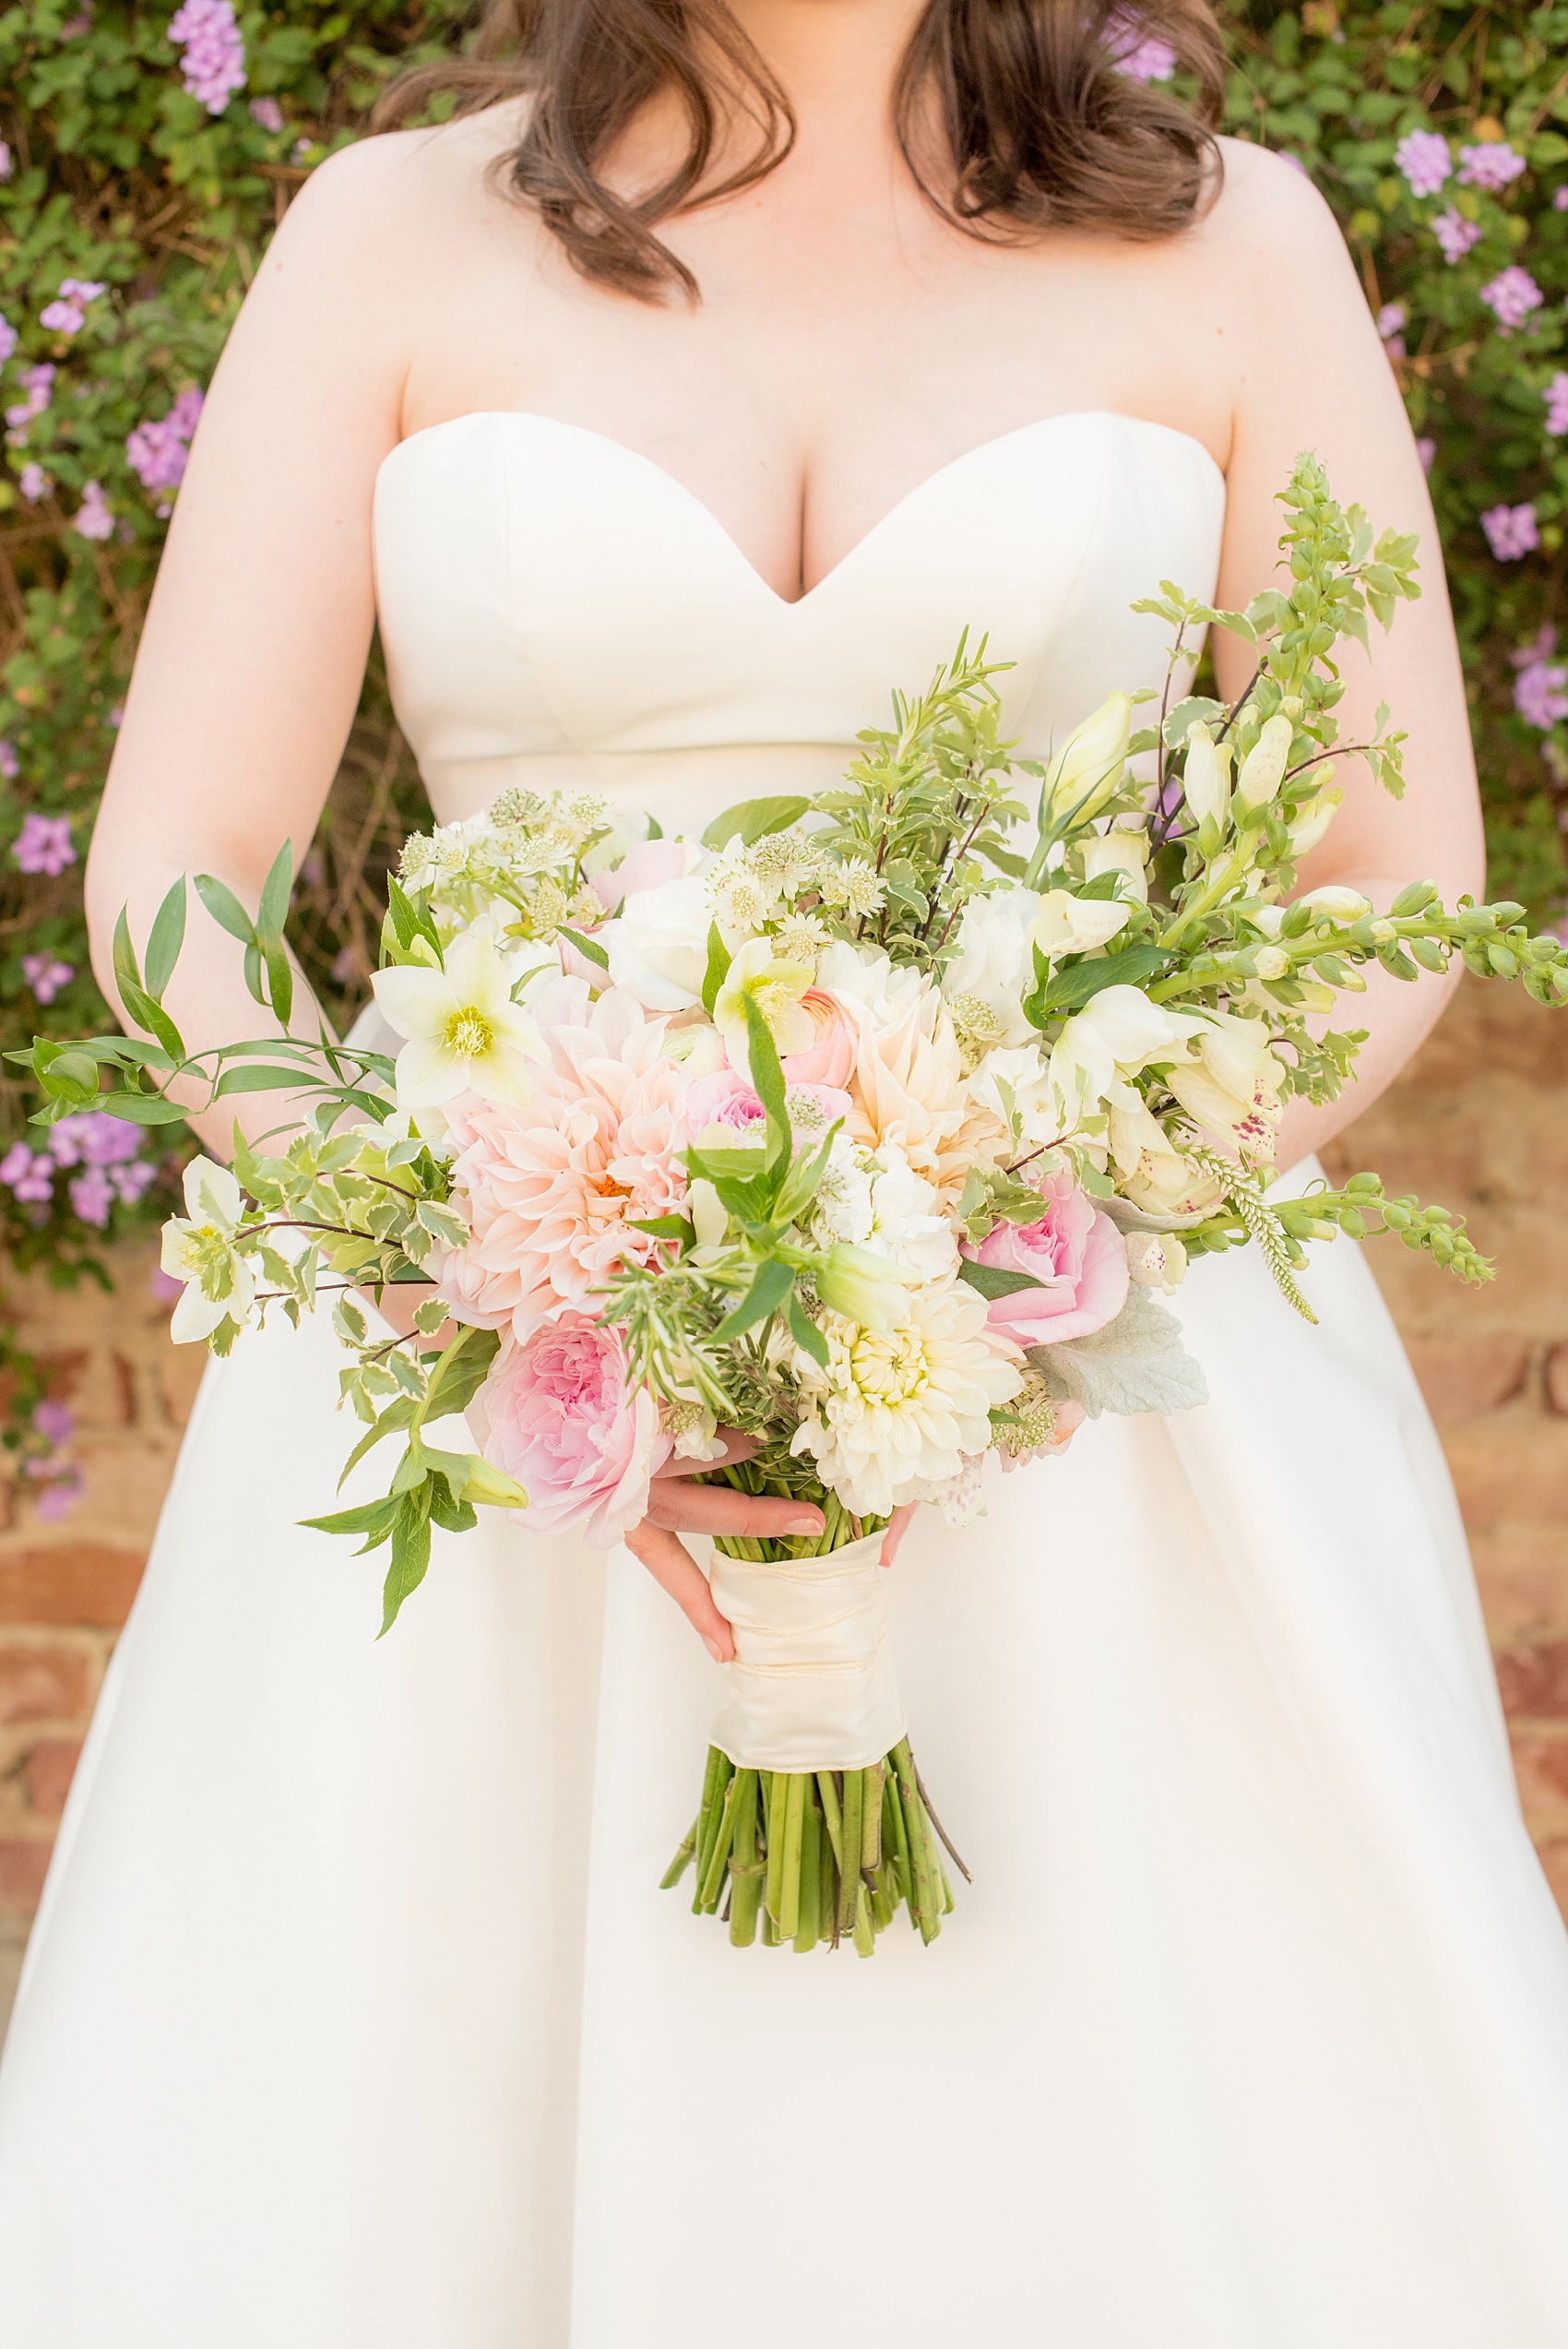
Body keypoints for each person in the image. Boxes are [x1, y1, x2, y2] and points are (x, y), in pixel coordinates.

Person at [3, 0, 1567, 2339]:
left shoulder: (1234, 247)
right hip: (492, 1382)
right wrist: (476, 1268)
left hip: (1091, 1379)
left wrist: (1029, 1247)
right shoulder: (382, 242)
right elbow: (183, 868)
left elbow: (1379, 854)